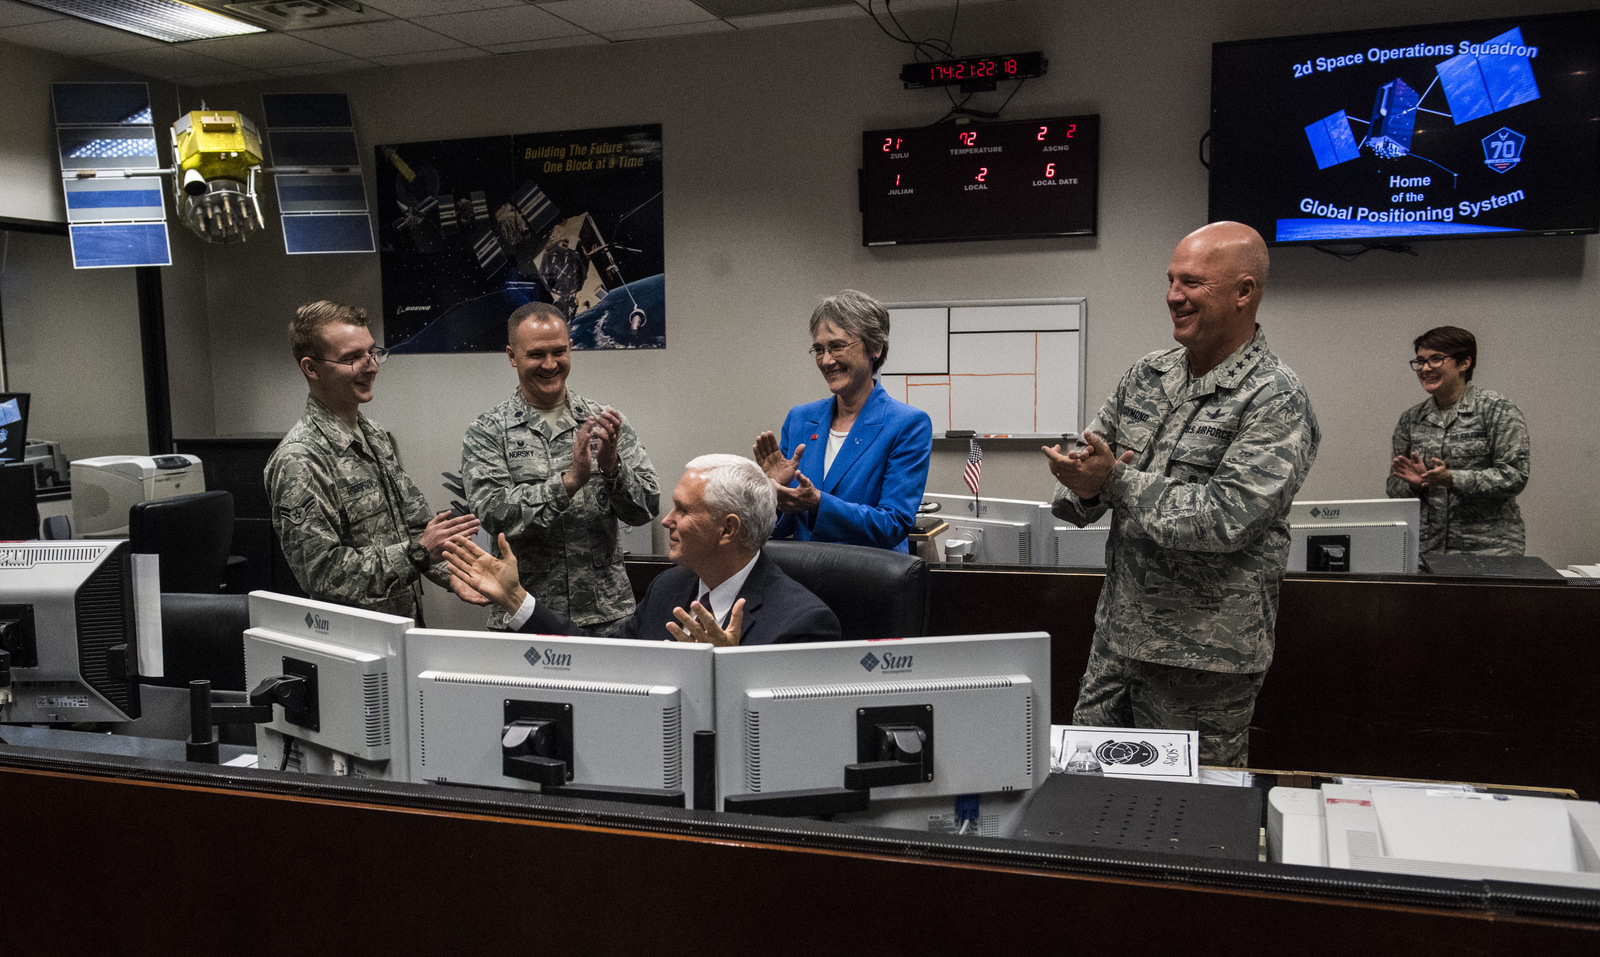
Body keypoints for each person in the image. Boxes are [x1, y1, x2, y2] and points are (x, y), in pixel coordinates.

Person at [1042, 222, 1320, 767]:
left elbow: (1226, 519)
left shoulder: (1276, 398)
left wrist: (1114, 482)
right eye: (1170, 280)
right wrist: (1080, 487)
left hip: (1203, 664)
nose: (1173, 296)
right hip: (1117, 645)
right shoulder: (1146, 375)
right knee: (1084, 796)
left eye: (1191, 282)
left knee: (1191, 823)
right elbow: (1092, 466)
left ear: (1244, 292)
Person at [446, 454, 840, 645]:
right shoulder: (670, 588)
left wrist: (726, 670)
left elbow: (792, 743)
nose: (667, 520)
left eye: (683, 511)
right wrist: (516, 599)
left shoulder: (803, 624)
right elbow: (605, 661)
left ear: (728, 529)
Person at [265, 301, 480, 620]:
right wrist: (418, 554)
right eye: (352, 358)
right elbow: (323, 574)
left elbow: (415, 525)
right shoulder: (299, 459)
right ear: (311, 368)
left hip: (402, 626)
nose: (371, 366)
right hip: (354, 642)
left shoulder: (374, 434)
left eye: (371, 352)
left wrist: (456, 574)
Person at [461, 302, 658, 632]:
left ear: (570, 348)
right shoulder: (488, 431)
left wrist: (612, 469)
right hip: (523, 612)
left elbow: (646, 508)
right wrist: (568, 484)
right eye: (537, 354)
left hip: (607, 616)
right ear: (512, 356)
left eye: (558, 352)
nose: (550, 364)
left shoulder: (605, 422)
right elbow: (493, 514)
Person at [753, 290, 932, 552]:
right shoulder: (800, 419)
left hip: (870, 582)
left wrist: (817, 503)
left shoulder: (907, 424)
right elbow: (781, 529)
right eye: (818, 349)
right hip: (806, 581)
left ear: (875, 347)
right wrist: (774, 495)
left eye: (837, 346)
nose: (826, 360)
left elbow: (893, 524)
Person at [1388, 326, 1529, 557]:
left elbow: (1514, 476)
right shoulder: (1411, 420)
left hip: (1488, 551)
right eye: (1420, 361)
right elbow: (1393, 488)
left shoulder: (1497, 410)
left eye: (1436, 359)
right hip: (1427, 552)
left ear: (1465, 363)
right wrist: (1415, 483)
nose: (1425, 368)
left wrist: (1452, 478)